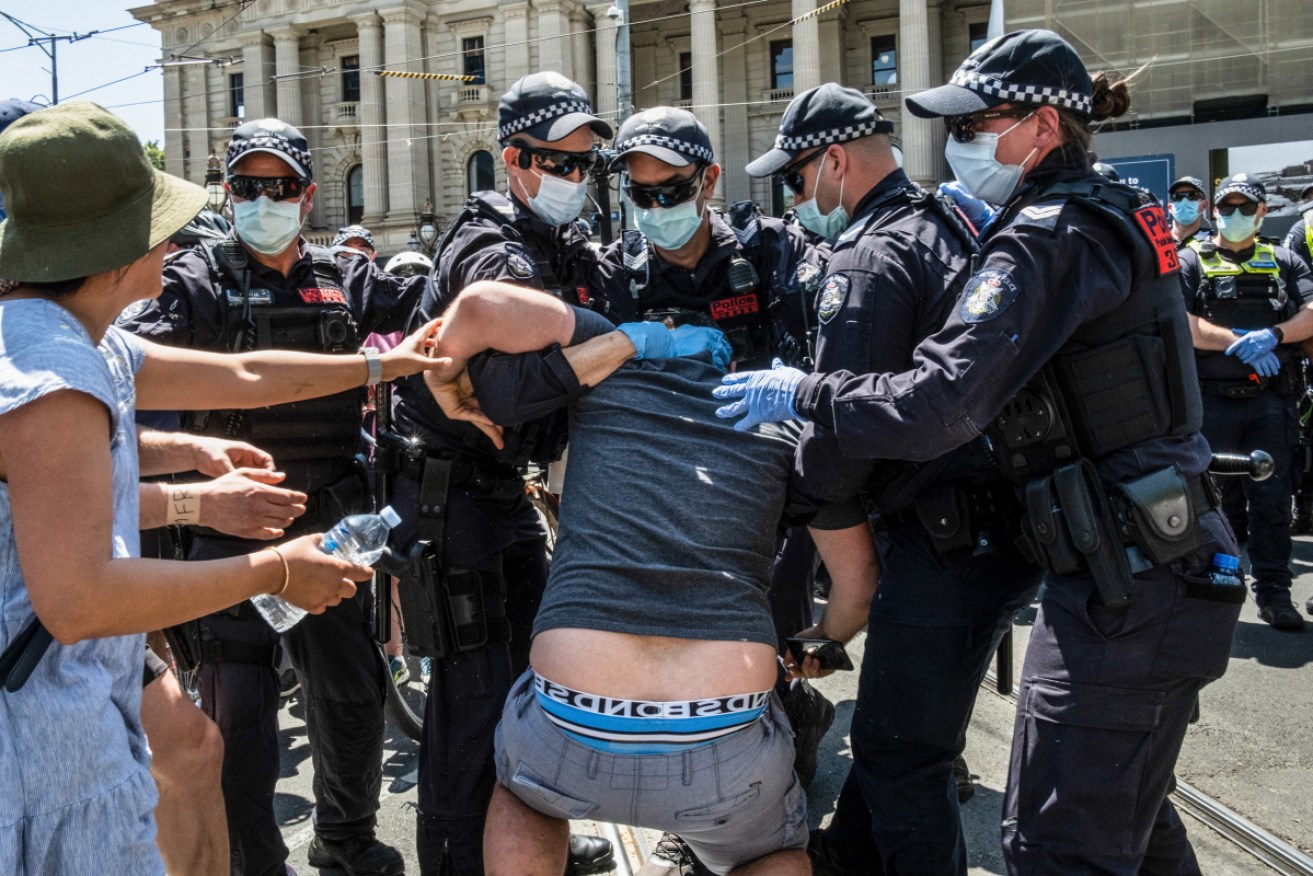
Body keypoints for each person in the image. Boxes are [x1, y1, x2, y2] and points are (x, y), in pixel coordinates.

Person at [714, 29, 1248, 873]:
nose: (955, 144)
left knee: (1056, 845)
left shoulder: (1047, 231)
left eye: (972, 125)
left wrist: (805, 393)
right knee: (1134, 829)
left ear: (1039, 127)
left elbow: (938, 405)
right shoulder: (1106, 207)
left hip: (1125, 580)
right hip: (1141, 558)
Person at [0, 101, 440, 875]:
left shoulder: (81, 337)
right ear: (107, 249)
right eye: (155, 222)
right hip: (42, 710)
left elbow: (246, 373)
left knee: (219, 741)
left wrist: (385, 365)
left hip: (86, 673)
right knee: (207, 747)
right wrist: (271, 567)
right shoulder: (51, 375)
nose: (174, 240)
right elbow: (78, 599)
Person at [419, 281, 861, 876]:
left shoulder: (606, 367)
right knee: (777, 856)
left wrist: (444, 383)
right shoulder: (781, 422)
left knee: (521, 797)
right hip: (722, 734)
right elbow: (857, 582)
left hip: (568, 718)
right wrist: (818, 644)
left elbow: (477, 308)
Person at [742, 82, 1045, 875]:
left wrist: (793, 499)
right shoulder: (946, 223)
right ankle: (845, 860)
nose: (796, 198)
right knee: (898, 729)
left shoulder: (869, 254)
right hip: (993, 528)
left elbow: (841, 437)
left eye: (795, 179)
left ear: (834, 161)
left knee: (901, 755)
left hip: (944, 541)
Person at [118, 117, 430, 876]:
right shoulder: (191, 279)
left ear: (307, 194)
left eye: (281, 187)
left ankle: (345, 837)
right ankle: (255, 863)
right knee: (242, 720)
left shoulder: (345, 276)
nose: (266, 200)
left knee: (352, 697)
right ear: (227, 193)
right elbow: (124, 364)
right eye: (249, 187)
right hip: (230, 527)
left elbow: (426, 309)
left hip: (326, 523)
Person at [387, 71, 614, 876]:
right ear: (514, 160)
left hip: (497, 495)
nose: (577, 180)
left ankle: (521, 839)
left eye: (588, 165)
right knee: (474, 696)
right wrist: (608, 345)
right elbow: (504, 392)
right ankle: (456, 857)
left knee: (528, 676)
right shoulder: (492, 244)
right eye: (562, 163)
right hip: (451, 504)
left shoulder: (556, 243)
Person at [589, 110, 834, 848]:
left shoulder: (771, 250)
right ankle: (713, 794)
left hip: (769, 476)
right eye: (642, 195)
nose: (657, 209)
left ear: (709, 182)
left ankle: (778, 749)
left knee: (765, 625)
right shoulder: (617, 272)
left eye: (673, 191)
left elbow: (821, 351)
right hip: (673, 481)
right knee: (685, 643)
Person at [1179, 173, 1313, 632]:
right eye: (1226, 208)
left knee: (1273, 500)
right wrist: (1237, 340)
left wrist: (1273, 335)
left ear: (1262, 212)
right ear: (1214, 211)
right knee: (1214, 502)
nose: (1234, 215)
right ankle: (1218, 586)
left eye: (1244, 207)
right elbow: (1182, 322)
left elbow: (1310, 313)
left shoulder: (1283, 259)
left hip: (1270, 403)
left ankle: (1274, 593)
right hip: (1211, 402)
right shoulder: (1190, 260)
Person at [1169, 176, 1211, 249]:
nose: (1184, 201)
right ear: (1170, 207)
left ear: (1204, 205)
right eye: (1178, 197)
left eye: (1192, 196)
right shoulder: (1157, 238)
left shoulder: (1211, 241)